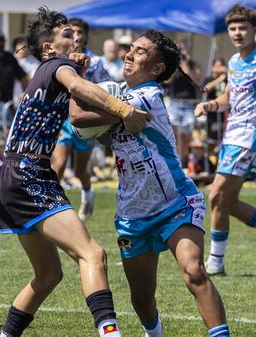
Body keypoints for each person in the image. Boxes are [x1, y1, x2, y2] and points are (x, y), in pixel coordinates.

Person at [0, 6, 151, 337]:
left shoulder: (50, 69)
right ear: (49, 47)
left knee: (49, 275)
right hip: (28, 172)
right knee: (93, 254)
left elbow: (78, 113)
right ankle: (111, 334)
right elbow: (80, 92)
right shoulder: (58, 66)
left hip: (14, 175)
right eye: (67, 34)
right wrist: (124, 110)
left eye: (76, 33)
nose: (76, 37)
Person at [70, 29, 230, 337]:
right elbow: (102, 130)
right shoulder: (115, 92)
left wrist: (74, 79)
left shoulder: (147, 95)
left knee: (194, 272)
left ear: (157, 69)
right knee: (142, 298)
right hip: (133, 213)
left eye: (140, 52)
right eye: (130, 48)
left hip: (175, 203)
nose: (129, 54)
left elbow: (78, 116)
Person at [194, 5, 256, 276]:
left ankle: (215, 263)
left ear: (255, 30)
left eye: (243, 28)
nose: (237, 33)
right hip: (232, 135)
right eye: (233, 28)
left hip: (251, 134)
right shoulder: (234, 61)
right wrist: (209, 106)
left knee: (216, 193)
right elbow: (228, 99)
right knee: (227, 202)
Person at [51, 18, 110, 222]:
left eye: (79, 32)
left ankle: (87, 193)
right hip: (64, 118)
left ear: (85, 35)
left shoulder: (96, 61)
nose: (75, 36)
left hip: (85, 119)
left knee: (80, 170)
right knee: (57, 164)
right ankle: (53, 209)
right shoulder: (60, 57)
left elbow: (105, 89)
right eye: (71, 32)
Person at [166, 39, 202, 163]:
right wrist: (176, 63)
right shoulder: (173, 65)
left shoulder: (193, 65)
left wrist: (185, 62)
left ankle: (182, 161)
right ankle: (175, 162)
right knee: (174, 136)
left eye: (185, 49)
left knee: (186, 138)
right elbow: (167, 80)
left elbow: (193, 78)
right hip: (174, 103)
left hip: (189, 105)